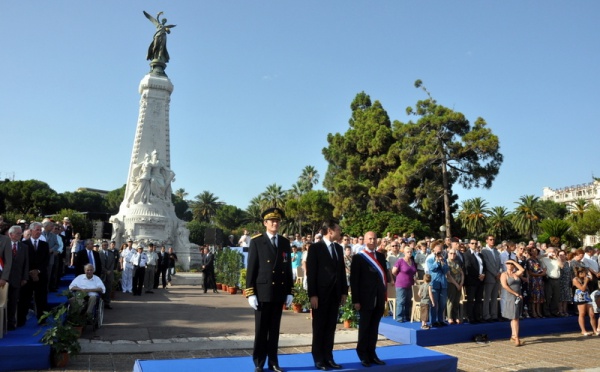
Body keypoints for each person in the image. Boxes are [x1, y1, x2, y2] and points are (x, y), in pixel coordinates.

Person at [245, 207, 293, 372]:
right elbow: (251, 268)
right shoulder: (257, 241)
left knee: (274, 330)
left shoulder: (285, 242)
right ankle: (259, 362)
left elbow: (287, 269)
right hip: (262, 292)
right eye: (272, 220)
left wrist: (290, 291)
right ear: (265, 223)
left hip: (279, 292)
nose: (275, 223)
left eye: (278, 221)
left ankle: (273, 362)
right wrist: (250, 292)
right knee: (261, 330)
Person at [306, 219, 348, 371]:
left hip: (335, 294)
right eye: (338, 229)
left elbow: (341, 271)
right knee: (319, 328)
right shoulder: (315, 248)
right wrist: (313, 295)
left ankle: (328, 357)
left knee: (331, 328)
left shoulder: (338, 248)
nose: (340, 232)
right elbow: (312, 273)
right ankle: (318, 359)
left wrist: (344, 291)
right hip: (321, 295)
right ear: (330, 231)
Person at [350, 231, 388, 367]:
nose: (372, 240)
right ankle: (363, 354)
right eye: (370, 238)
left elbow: (384, 277)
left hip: (378, 297)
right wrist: (356, 300)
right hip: (365, 298)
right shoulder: (359, 258)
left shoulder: (381, 256)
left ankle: (372, 353)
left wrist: (384, 295)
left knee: (374, 328)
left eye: (374, 238)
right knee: (365, 327)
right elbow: (354, 281)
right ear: (365, 240)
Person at [18, 222, 50, 325]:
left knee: (41, 298)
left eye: (40, 230)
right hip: (27, 276)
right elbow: (22, 261)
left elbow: (46, 261)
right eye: (37, 230)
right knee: (25, 298)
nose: (39, 232)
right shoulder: (23, 244)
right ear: (31, 231)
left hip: (41, 276)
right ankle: (21, 320)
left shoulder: (44, 245)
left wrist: (38, 271)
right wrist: (30, 272)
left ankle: (42, 319)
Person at [6, 225, 28, 331]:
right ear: (11, 234)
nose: (20, 235)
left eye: (21, 233)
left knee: (13, 302)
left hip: (17, 279)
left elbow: (26, 264)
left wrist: (24, 277)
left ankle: (11, 323)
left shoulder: (24, 247)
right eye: (18, 233)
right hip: (3, 280)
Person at [500, 260, 525, 346]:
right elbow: (504, 286)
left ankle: (513, 335)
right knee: (514, 317)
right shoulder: (504, 274)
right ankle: (517, 337)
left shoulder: (516, 274)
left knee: (516, 316)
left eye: (511, 264)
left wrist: (514, 262)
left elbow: (522, 270)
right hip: (510, 297)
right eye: (508, 263)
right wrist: (515, 293)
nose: (509, 265)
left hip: (518, 297)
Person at [426, 240, 449, 327]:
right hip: (434, 283)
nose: (440, 252)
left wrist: (442, 263)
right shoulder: (430, 259)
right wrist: (436, 262)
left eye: (441, 250)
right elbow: (432, 269)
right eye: (438, 251)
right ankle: (433, 321)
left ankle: (440, 320)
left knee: (442, 303)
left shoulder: (444, 259)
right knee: (434, 303)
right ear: (434, 250)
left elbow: (446, 271)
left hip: (443, 284)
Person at [391, 244, 417, 323]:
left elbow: (414, 272)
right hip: (401, 284)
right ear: (404, 253)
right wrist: (400, 276)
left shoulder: (412, 261)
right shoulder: (400, 261)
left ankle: (407, 316)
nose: (409, 253)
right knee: (401, 301)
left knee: (408, 301)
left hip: (410, 284)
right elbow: (393, 271)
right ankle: (399, 317)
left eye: (411, 252)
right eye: (408, 252)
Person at [481, 235, 502, 322]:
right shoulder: (484, 251)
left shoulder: (496, 251)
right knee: (487, 297)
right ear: (486, 241)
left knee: (494, 297)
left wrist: (499, 273)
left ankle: (494, 315)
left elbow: (500, 263)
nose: (492, 241)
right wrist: (495, 273)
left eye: (493, 239)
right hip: (490, 277)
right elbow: (487, 264)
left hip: (497, 277)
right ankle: (486, 315)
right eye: (490, 239)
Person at [464, 238, 486, 324]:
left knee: (479, 300)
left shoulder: (480, 255)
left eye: (476, 243)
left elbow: (484, 266)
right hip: (471, 281)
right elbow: (468, 267)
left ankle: (477, 316)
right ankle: (470, 317)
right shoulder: (466, 254)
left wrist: (483, 274)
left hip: (481, 281)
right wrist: (478, 276)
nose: (474, 245)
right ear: (469, 244)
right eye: (472, 243)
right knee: (470, 300)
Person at [572, 266, 597, 336]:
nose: (585, 274)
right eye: (583, 273)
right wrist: (586, 282)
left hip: (587, 297)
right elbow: (582, 288)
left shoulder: (586, 278)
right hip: (580, 297)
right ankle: (583, 330)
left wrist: (589, 275)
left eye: (585, 272)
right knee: (582, 313)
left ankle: (595, 330)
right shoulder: (575, 279)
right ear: (579, 273)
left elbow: (591, 278)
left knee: (592, 314)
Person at [540, 246, 563, 317]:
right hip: (548, 279)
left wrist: (556, 257)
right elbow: (536, 258)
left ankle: (554, 311)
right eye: (551, 252)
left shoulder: (556, 259)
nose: (552, 253)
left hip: (557, 279)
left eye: (554, 251)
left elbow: (562, 266)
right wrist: (546, 254)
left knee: (556, 296)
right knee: (547, 296)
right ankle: (546, 311)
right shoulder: (543, 259)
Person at [446, 248, 464, 324]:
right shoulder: (446, 262)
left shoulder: (457, 262)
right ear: (448, 254)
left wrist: (461, 283)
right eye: (451, 253)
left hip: (459, 284)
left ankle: (455, 316)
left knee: (457, 301)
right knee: (451, 301)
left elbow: (462, 273)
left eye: (454, 254)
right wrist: (456, 284)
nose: (452, 255)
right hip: (451, 284)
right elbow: (448, 275)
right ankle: (449, 317)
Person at [527, 247, 546, 318]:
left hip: (540, 280)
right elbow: (530, 272)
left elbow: (541, 269)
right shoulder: (529, 261)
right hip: (534, 280)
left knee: (539, 296)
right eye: (533, 251)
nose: (534, 252)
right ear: (530, 252)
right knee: (534, 296)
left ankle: (538, 311)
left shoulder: (538, 260)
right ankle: (533, 311)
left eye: (536, 251)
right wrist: (540, 274)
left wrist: (543, 272)